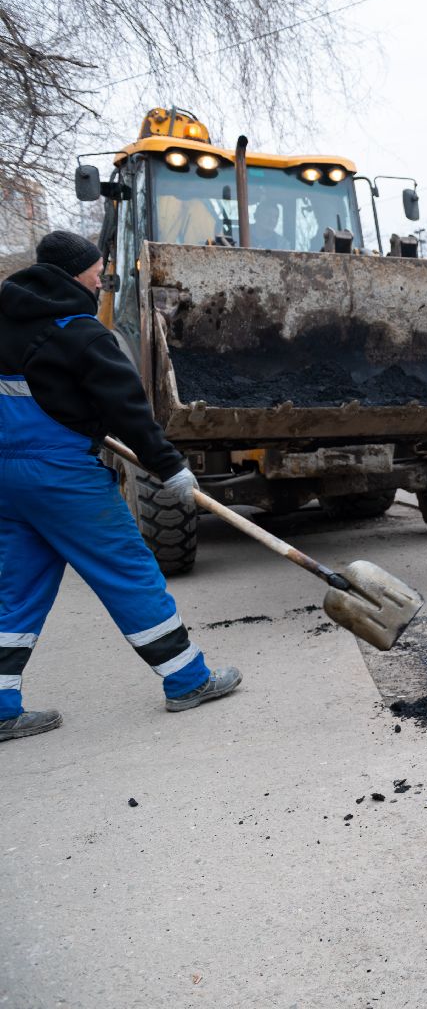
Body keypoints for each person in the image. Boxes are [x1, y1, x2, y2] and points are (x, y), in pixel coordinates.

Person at [0, 230, 241, 741]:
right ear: (74, 274)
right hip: (62, 477)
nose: (100, 276)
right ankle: (188, 679)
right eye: (96, 269)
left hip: (8, 479)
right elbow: (128, 411)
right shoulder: (80, 331)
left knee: (15, 591)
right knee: (127, 571)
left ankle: (0, 704)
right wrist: (170, 466)